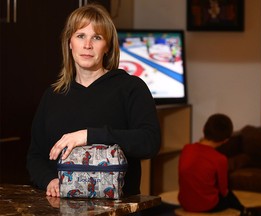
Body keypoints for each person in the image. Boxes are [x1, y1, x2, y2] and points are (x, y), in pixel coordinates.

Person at [26, 3, 161, 198]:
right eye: (81, 36)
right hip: (63, 208)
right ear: (69, 42)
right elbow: (35, 156)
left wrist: (89, 136)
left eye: (96, 37)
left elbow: (150, 142)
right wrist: (50, 180)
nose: (87, 45)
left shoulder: (131, 87)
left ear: (107, 46)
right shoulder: (53, 94)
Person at [178, 114, 245, 214]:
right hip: (207, 206)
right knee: (231, 197)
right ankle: (244, 211)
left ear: (204, 129)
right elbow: (223, 190)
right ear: (225, 140)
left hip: (185, 203)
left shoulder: (186, 149)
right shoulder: (220, 159)